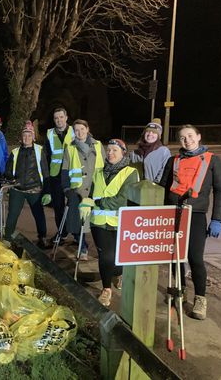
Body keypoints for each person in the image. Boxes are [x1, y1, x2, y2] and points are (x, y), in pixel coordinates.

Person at [159, 124, 221, 320]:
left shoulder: (213, 160)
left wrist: (217, 219)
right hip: (173, 212)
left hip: (195, 214)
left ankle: (200, 298)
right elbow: (164, 188)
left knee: (195, 258)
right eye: (182, 137)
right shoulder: (173, 160)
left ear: (198, 137)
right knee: (175, 257)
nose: (187, 140)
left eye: (190, 136)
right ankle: (180, 291)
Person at [90, 139, 139, 306]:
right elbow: (91, 194)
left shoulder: (130, 173)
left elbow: (122, 200)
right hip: (98, 222)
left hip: (120, 222)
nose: (110, 153)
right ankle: (106, 289)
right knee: (106, 256)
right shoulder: (98, 172)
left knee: (118, 259)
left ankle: (119, 273)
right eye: (108, 150)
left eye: (114, 150)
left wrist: (98, 202)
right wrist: (86, 203)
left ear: (123, 153)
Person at [61, 119, 105, 259]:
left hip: (95, 189)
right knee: (79, 222)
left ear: (87, 129)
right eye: (76, 130)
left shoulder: (97, 145)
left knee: (97, 221)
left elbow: (106, 166)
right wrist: (67, 188)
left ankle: (101, 249)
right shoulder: (70, 147)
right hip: (78, 190)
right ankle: (83, 248)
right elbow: (65, 170)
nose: (79, 132)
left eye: (82, 129)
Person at [4, 121, 51, 246]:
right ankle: (7, 239)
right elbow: (8, 170)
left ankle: (42, 237)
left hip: (34, 189)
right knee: (12, 215)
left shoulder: (40, 150)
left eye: (29, 135)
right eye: (24, 135)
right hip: (17, 189)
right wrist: (10, 178)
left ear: (33, 137)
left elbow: (46, 173)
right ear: (21, 137)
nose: (27, 138)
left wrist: (47, 191)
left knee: (39, 215)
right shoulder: (15, 152)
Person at [45, 107, 75, 243]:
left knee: (74, 207)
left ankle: (76, 235)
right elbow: (46, 156)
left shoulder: (75, 132)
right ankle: (62, 234)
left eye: (61, 117)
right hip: (56, 175)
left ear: (66, 117)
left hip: (72, 174)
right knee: (58, 207)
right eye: (56, 118)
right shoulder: (49, 134)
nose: (59, 120)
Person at [129, 118, 171, 183]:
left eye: (154, 132)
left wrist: (154, 185)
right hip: (137, 189)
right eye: (148, 131)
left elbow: (165, 171)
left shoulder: (164, 151)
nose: (150, 134)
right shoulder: (134, 153)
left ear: (158, 136)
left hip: (155, 189)